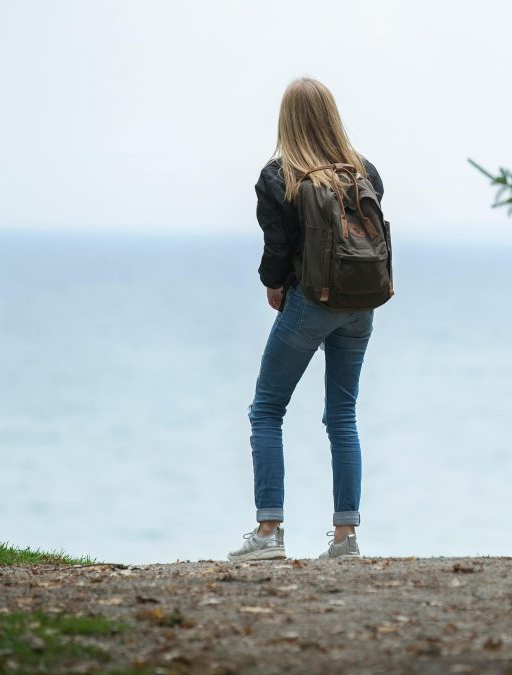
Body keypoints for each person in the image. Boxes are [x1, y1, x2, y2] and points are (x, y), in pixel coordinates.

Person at [228, 77, 385, 562]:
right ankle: (346, 539)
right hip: (360, 306)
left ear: (286, 119)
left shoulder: (280, 176)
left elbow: (278, 249)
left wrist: (273, 285)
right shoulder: (366, 171)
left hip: (309, 305)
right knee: (342, 414)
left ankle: (269, 532)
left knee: (267, 410)